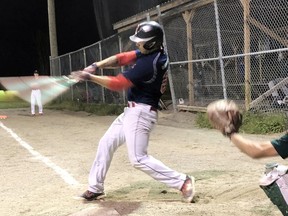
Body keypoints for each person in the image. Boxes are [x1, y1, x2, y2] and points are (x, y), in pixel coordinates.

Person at [70, 21, 195, 203]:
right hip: (131, 112)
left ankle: (183, 182)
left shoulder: (150, 64)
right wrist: (96, 65)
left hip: (141, 114)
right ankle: (95, 188)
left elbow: (118, 83)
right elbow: (121, 58)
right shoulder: (153, 53)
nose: (137, 43)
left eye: (141, 41)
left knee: (138, 158)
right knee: (106, 143)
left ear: (151, 43)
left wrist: (89, 77)